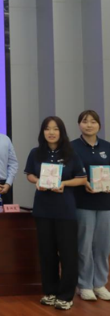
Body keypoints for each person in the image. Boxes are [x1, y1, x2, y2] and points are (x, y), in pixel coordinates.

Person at [24, 116, 86, 310]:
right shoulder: (35, 153)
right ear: (42, 132)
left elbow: (82, 178)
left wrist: (63, 183)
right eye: (47, 129)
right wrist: (37, 181)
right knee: (47, 253)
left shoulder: (71, 153)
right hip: (42, 209)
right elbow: (29, 174)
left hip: (65, 210)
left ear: (61, 132)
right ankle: (50, 292)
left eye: (55, 129)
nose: (51, 132)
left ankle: (66, 295)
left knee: (68, 253)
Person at [72, 110, 110, 301]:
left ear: (99, 125)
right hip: (82, 203)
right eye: (85, 121)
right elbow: (68, 173)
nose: (89, 125)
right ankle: (84, 284)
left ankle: (100, 283)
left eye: (93, 121)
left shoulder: (107, 147)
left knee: (103, 245)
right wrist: (83, 181)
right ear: (79, 124)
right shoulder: (72, 147)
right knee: (84, 245)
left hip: (105, 203)